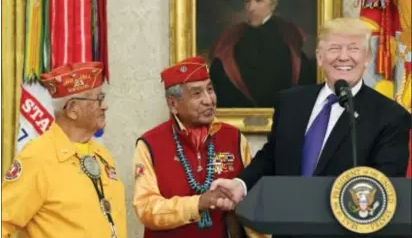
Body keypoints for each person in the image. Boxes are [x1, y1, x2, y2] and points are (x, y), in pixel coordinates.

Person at [210, 17, 411, 210]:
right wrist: (240, 184)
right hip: (288, 226)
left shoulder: (390, 116)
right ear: (320, 57)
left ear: (367, 58)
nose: (343, 56)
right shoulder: (290, 102)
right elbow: (272, 156)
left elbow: (385, 186)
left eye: (353, 49)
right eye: (334, 48)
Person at [133, 56, 269, 238]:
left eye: (210, 90)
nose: (209, 100)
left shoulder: (233, 138)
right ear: (173, 104)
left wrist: (238, 202)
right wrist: (198, 204)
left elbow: (254, 197)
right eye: (197, 94)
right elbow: (146, 208)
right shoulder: (150, 144)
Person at [2, 62, 127, 238]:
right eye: (98, 99)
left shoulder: (102, 155)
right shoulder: (37, 157)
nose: (104, 106)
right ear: (72, 110)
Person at [209, 0, 316, 108]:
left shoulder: (289, 40)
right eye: (248, 1)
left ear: (273, 4)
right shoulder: (232, 39)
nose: (251, 7)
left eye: (258, 0)